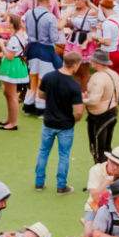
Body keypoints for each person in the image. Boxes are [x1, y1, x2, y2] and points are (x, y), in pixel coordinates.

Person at [32, 50, 85, 194]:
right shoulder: (74, 86)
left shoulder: (49, 77)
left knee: (43, 152)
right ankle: (61, 186)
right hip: (66, 126)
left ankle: (39, 182)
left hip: (48, 122)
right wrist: (75, 119)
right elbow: (79, 111)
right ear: (75, 65)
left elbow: (41, 94)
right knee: (64, 155)